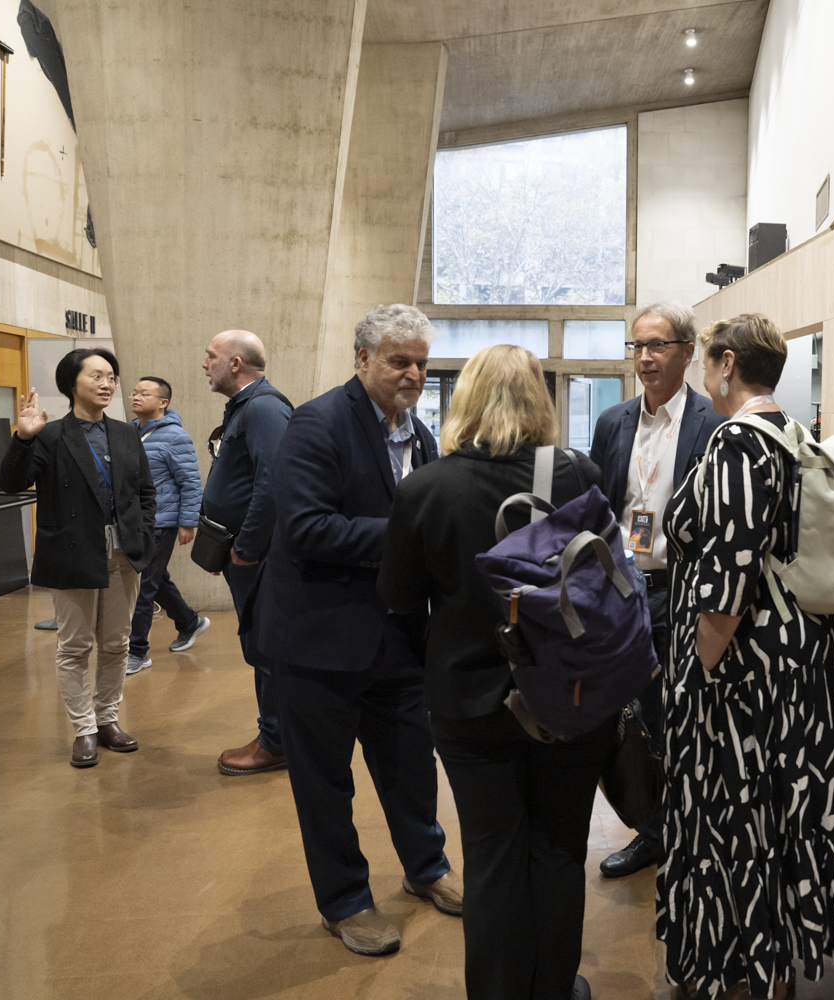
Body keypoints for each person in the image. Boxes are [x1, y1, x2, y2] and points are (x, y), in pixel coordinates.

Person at [657, 313, 834, 1000]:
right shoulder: (794, 433)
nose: (704, 373)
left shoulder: (736, 443)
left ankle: (744, 974)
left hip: (747, 672)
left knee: (737, 817)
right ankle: (773, 964)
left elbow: (728, 579)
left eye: (707, 360)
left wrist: (696, 674)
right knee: (788, 813)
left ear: (727, 364)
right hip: (809, 659)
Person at [382, 344, 607, 1000]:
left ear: (465, 398)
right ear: (540, 399)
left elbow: (399, 600)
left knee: (490, 856)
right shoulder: (578, 474)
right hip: (569, 695)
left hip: (469, 700)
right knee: (559, 850)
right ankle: (554, 988)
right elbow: (602, 583)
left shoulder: (426, 488)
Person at [250, 304, 459, 957]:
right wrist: (411, 535)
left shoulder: (421, 436)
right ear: (363, 359)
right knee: (325, 782)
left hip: (398, 637)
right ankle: (344, 901)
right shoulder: (317, 424)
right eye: (399, 361)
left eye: (421, 362)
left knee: (411, 765)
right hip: (319, 641)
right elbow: (305, 528)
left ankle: (427, 868)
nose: (413, 373)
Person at [588, 301, 724, 879]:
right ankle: (653, 830)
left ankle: (696, 831)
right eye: (637, 346)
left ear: (687, 352)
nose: (644, 357)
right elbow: (598, 508)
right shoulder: (612, 422)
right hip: (622, 591)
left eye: (657, 346)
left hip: (681, 590)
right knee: (636, 714)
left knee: (687, 714)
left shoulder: (712, 424)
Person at [0, 349, 156, 768]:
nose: (107, 384)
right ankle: (84, 728)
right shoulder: (50, 435)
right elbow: (11, 483)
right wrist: (23, 438)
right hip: (73, 550)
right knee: (75, 646)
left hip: (124, 551)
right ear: (72, 383)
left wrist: (144, 533)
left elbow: (144, 492)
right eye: (97, 376)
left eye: (111, 377)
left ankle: (107, 719)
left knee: (117, 643)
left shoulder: (125, 434)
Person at [201, 329, 293, 776]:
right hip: (243, 552)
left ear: (235, 363)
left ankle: (275, 742)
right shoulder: (246, 406)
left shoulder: (263, 408)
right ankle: (277, 735)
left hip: (257, 557)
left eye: (211, 356)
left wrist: (247, 548)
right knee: (260, 647)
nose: (205, 364)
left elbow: (274, 483)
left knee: (266, 647)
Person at [125, 376, 209, 674]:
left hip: (162, 522)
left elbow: (191, 483)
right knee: (155, 578)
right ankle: (189, 622)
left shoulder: (175, 436)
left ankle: (137, 651)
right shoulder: (129, 432)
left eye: (144, 394)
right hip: (135, 522)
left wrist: (187, 523)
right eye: (134, 393)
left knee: (143, 585)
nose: (136, 397)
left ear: (163, 402)